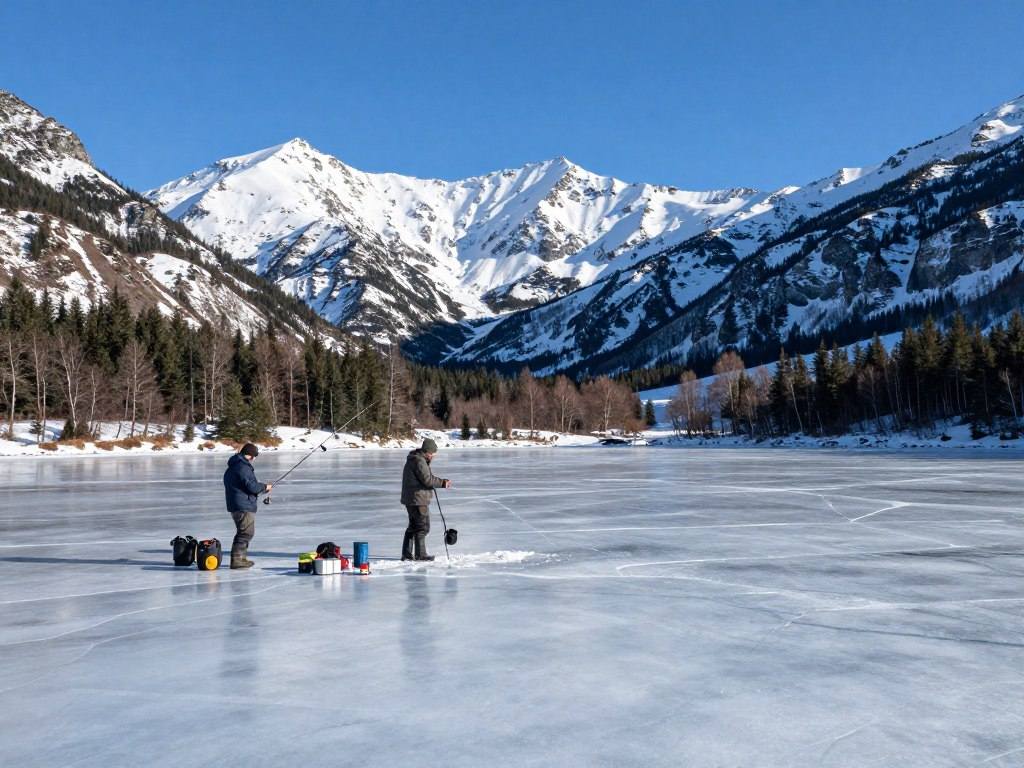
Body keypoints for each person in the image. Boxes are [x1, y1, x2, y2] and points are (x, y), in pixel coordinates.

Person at [400, 438, 452, 561]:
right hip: (418, 499)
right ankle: (420, 555)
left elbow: (427, 477)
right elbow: (427, 480)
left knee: (413, 526)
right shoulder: (419, 461)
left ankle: (406, 554)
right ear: (428, 452)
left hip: (412, 498)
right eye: (433, 454)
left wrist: (440, 481)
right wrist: (443, 483)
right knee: (423, 527)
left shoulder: (416, 459)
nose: (433, 456)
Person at [223, 443, 272, 569]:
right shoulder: (243, 467)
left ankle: (241, 559)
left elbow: (245, 486)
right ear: (250, 455)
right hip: (243, 505)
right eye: (254, 456)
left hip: (237, 503)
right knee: (245, 533)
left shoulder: (234, 466)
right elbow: (251, 486)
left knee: (244, 532)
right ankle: (237, 560)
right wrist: (264, 487)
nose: (254, 459)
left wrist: (261, 489)